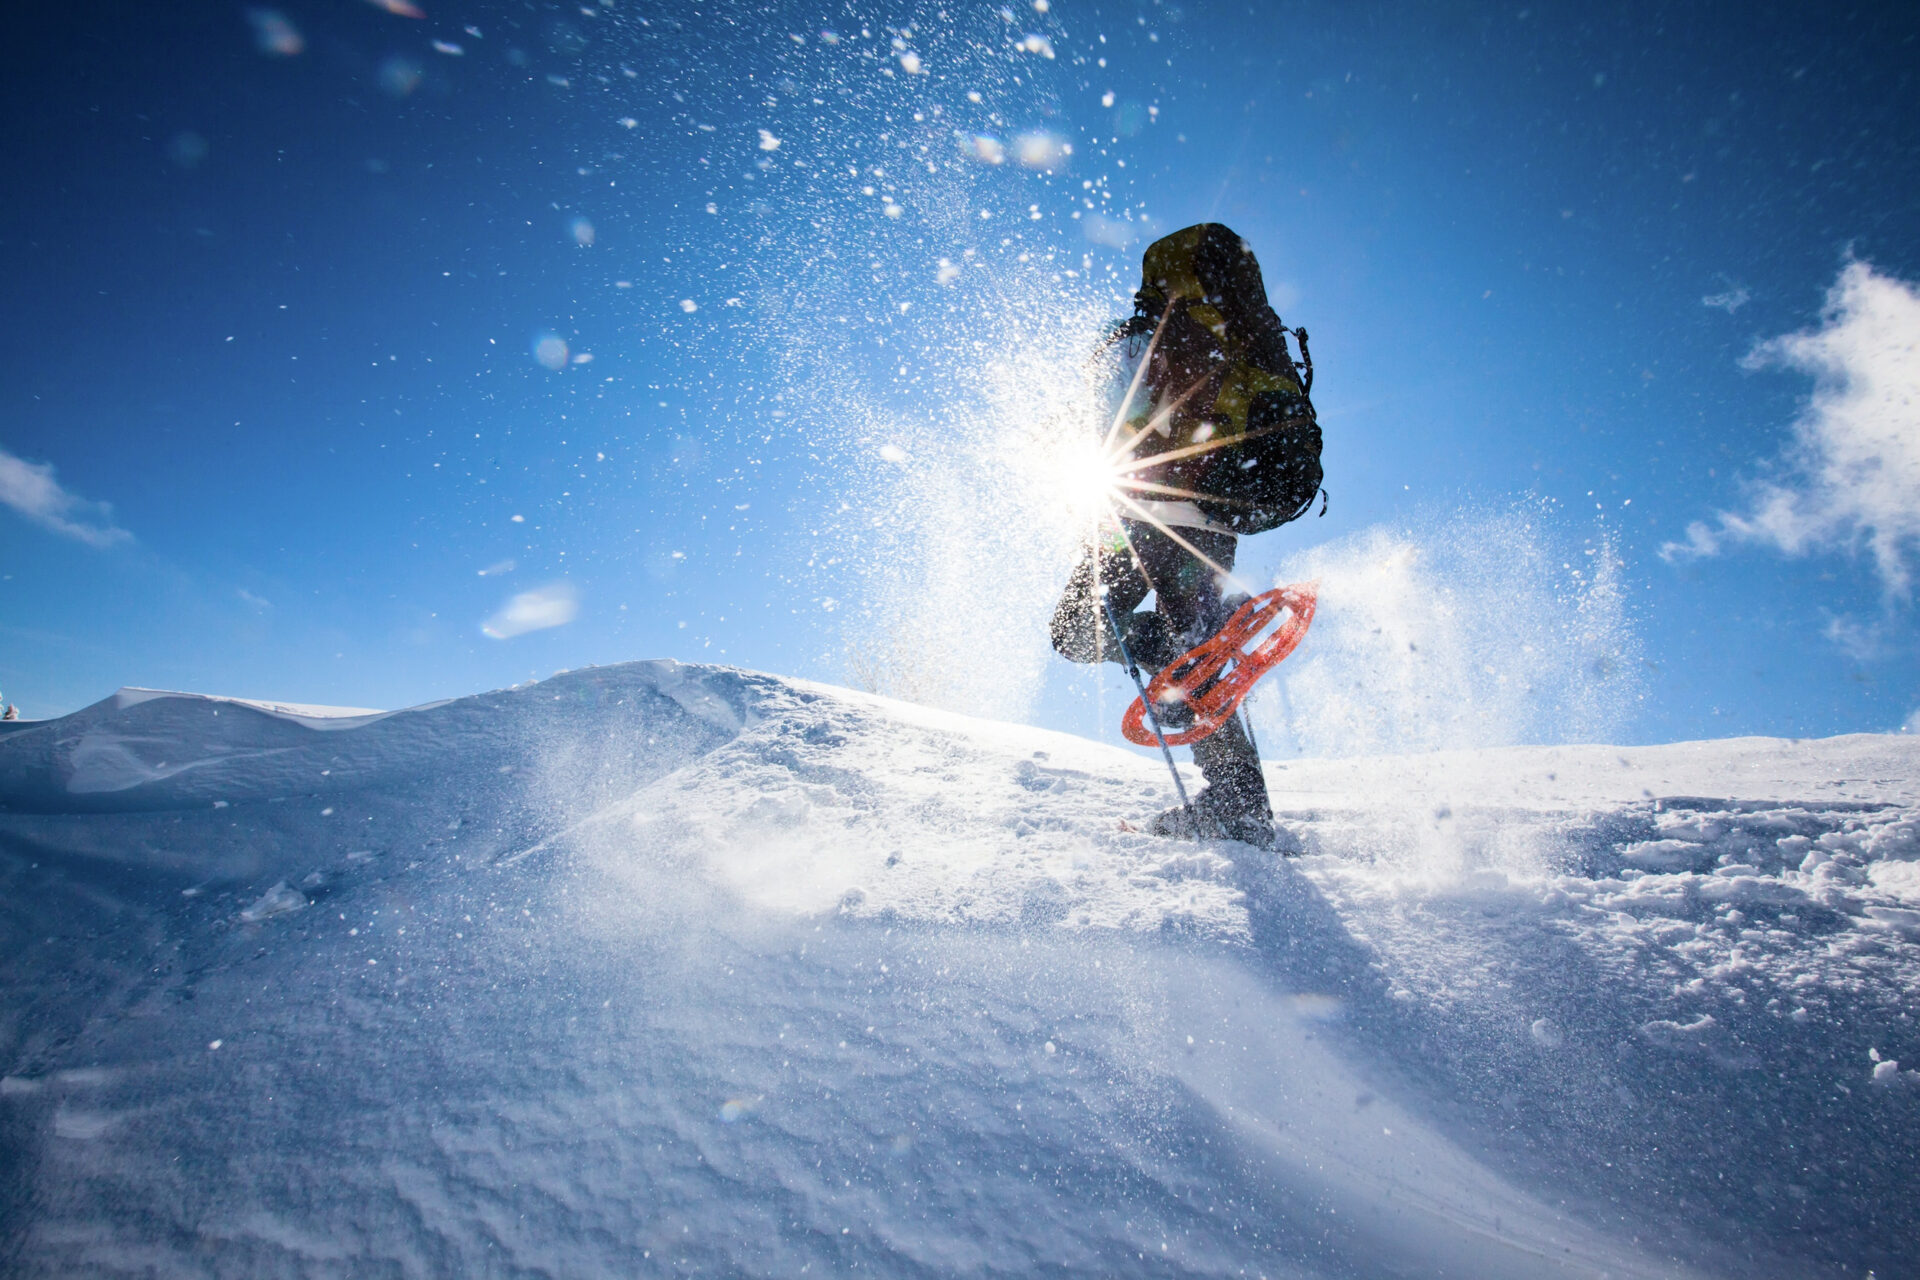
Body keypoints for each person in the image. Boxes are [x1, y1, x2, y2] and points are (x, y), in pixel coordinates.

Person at [1050, 223, 1322, 848]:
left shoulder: (1144, 340)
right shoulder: (1211, 340)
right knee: (1116, 636)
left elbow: (1107, 427)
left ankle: (1234, 800)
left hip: (1154, 519)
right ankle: (1195, 671)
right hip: (1190, 520)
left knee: (1088, 631)